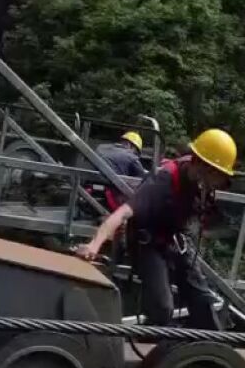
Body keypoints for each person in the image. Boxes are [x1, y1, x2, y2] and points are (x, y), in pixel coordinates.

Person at [76, 128, 236, 330]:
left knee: (202, 299)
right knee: (162, 308)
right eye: (218, 177)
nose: (218, 184)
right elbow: (122, 213)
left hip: (175, 240)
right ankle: (156, 343)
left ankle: (208, 348)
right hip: (148, 243)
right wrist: (94, 245)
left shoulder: (202, 185)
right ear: (203, 166)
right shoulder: (164, 180)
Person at [89, 131, 147, 212]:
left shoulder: (101, 147)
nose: (135, 155)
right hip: (112, 192)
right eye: (136, 151)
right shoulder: (131, 156)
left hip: (91, 185)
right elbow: (142, 176)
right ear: (130, 145)